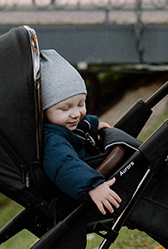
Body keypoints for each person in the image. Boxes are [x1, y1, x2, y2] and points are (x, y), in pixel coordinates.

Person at [40, 49, 124, 215]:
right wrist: (93, 185)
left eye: (81, 104)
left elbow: (79, 132)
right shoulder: (52, 141)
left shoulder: (66, 125)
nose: (76, 113)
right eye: (65, 108)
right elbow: (65, 166)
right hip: (84, 189)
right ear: (44, 111)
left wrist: (93, 128)